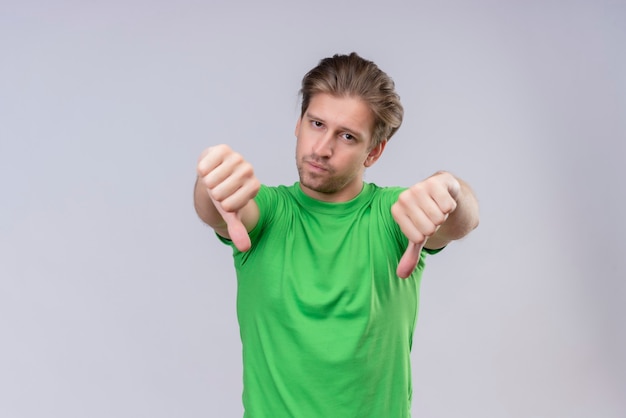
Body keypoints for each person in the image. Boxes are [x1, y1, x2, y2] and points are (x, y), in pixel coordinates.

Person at [194, 52, 479, 418]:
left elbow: (461, 221)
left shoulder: (395, 215)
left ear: (373, 152)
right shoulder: (266, 212)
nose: (322, 149)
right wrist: (211, 179)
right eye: (316, 124)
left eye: (346, 136)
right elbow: (218, 208)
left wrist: (450, 191)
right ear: (298, 123)